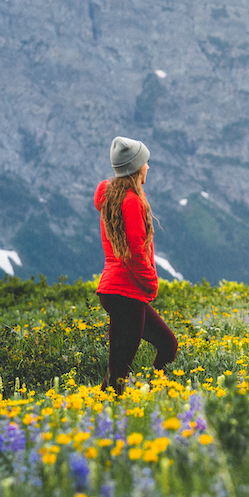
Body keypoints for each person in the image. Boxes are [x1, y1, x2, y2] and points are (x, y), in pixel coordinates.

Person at [94, 136, 177, 393]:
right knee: (119, 371)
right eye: (145, 162)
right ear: (135, 167)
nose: (148, 167)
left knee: (167, 344)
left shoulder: (113, 198)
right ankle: (111, 419)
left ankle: (155, 395)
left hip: (118, 291)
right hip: (124, 292)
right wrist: (151, 282)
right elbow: (135, 252)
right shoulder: (130, 201)